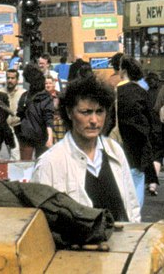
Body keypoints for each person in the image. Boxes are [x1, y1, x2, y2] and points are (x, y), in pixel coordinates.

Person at [32, 74, 139, 222]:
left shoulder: (114, 151)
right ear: (69, 113)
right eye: (86, 112)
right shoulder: (49, 162)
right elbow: (41, 221)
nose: (94, 120)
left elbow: (132, 205)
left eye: (99, 111)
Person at [116, 56, 155, 208]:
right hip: (139, 144)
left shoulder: (116, 91)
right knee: (137, 178)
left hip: (119, 141)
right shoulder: (141, 92)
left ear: (123, 71)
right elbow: (150, 120)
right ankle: (135, 215)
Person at [15, 64, 54, 160]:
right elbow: (48, 118)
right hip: (42, 135)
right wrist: (50, 138)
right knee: (42, 165)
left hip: (25, 134)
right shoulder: (47, 97)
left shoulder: (25, 96)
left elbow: (19, 113)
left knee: (24, 165)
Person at [4, 68, 25, 160]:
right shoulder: (0, 92)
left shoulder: (23, 93)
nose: (10, 80)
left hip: (18, 127)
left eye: (12, 78)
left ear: (17, 80)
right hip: (3, 128)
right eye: (8, 78)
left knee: (16, 156)